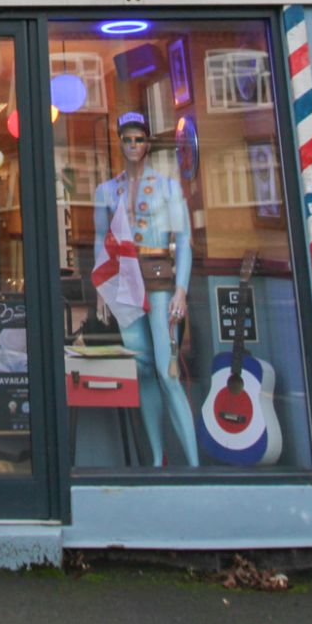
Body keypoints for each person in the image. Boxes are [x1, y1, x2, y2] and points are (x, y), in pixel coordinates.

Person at [93, 113, 199, 466]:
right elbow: (99, 239)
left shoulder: (168, 187)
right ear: (120, 143)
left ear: (148, 143)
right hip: (124, 282)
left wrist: (181, 289)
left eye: (139, 139)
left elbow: (184, 240)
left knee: (168, 372)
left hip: (160, 283)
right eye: (127, 139)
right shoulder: (107, 191)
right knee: (143, 371)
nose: (133, 145)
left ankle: (195, 463)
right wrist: (100, 289)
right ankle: (157, 458)